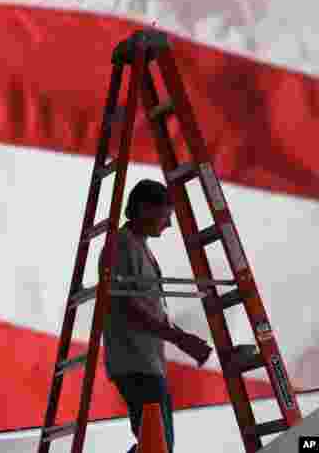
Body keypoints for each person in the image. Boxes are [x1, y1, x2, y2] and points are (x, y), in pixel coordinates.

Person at [99, 179, 213, 453]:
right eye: (166, 215)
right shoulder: (122, 245)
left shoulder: (139, 246)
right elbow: (126, 307)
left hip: (145, 361)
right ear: (144, 209)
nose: (169, 224)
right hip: (135, 362)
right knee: (158, 445)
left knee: (156, 444)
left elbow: (148, 308)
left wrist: (181, 337)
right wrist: (180, 339)